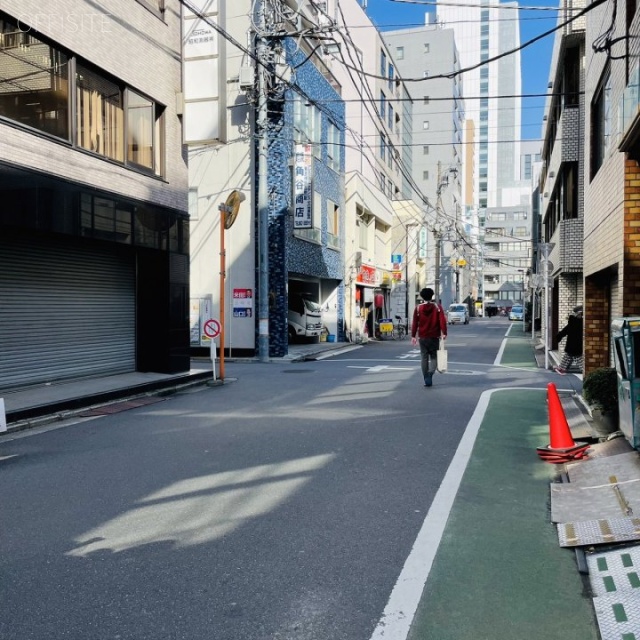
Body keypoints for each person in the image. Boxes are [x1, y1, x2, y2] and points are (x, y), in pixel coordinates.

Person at [411, 287, 448, 387]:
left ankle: (425, 377)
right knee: (434, 356)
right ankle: (430, 374)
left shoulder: (418, 308)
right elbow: (442, 321)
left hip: (422, 336)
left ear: (422, 296)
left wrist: (413, 335)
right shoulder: (437, 307)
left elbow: (415, 322)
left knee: (424, 357)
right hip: (434, 336)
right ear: (432, 296)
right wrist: (444, 332)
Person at [554, 305, 583, 375]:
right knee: (577, 358)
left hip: (572, 344)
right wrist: (559, 336)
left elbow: (565, 331)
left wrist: (559, 336)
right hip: (576, 344)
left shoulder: (572, 322)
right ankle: (562, 368)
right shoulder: (579, 322)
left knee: (569, 356)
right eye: (581, 314)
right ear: (579, 313)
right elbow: (565, 330)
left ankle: (561, 368)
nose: (582, 315)